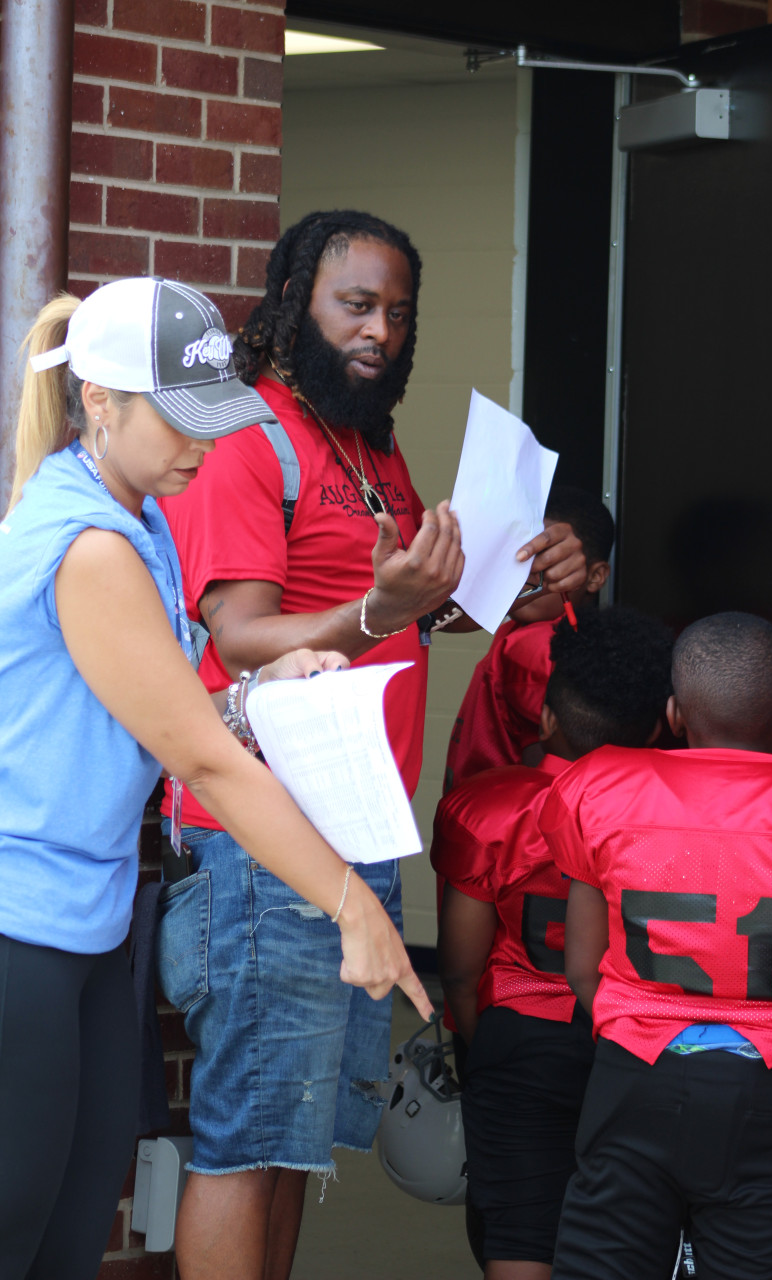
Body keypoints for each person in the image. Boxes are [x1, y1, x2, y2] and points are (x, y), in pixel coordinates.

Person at [158, 209, 590, 1280]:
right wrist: (383, 608)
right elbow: (242, 631)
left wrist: (505, 597)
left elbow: (387, 603)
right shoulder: (248, 438)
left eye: (398, 313)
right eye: (356, 305)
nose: (380, 332)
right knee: (246, 1138)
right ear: (294, 302)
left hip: (353, 833)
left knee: (298, 1142)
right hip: (262, 841)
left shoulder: (370, 444)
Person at [0, 277, 430, 1280]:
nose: (201, 443)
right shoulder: (94, 540)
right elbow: (199, 759)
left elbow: (155, 719)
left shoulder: (138, 511)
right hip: (23, 924)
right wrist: (350, 902)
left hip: (92, 921)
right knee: (20, 1221)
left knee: (68, 1222)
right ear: (97, 398)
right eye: (177, 418)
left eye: (214, 414)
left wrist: (260, 684)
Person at [540, 611, 772, 1280]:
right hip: (770, 1075)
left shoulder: (597, 785)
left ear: (675, 713)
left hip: (633, 1068)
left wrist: (635, 1030)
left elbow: (581, 966)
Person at [431, 608, 673, 1280]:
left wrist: (489, 1051)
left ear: (544, 720)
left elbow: (457, 967)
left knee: (518, 1230)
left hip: (521, 1032)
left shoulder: (486, 805)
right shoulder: (672, 811)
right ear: (658, 726)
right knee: (631, 1233)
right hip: (638, 1038)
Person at [442, 485, 614, 793]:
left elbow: (548, 780)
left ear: (595, 575)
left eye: (546, 558)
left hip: (508, 826)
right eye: (519, 555)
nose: (528, 571)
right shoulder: (517, 631)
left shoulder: (542, 646)